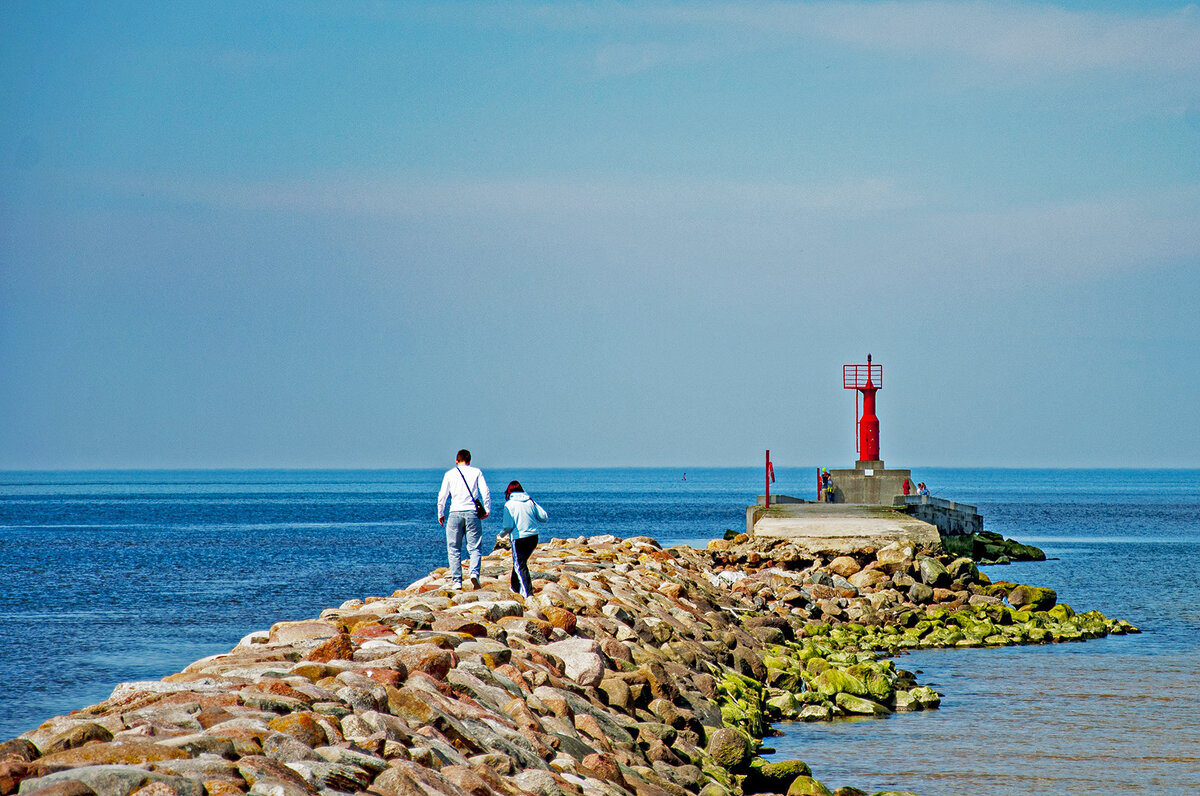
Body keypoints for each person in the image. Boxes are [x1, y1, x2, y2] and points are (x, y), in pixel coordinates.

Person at [437, 449, 490, 590]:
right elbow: (485, 491)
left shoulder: (449, 474)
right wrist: (487, 509)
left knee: (454, 548)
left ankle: (457, 581)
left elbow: (442, 495)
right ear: (469, 460)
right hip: (472, 513)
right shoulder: (477, 472)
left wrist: (440, 512)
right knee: (475, 547)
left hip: (455, 513)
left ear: (456, 460)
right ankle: (474, 574)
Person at [499, 480, 547, 598]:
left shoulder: (509, 504)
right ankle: (514, 587)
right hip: (533, 537)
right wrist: (533, 502)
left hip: (519, 538)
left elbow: (508, 526)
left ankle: (528, 593)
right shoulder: (530, 501)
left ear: (508, 492)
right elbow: (544, 517)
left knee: (519, 565)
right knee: (520, 563)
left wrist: (501, 535)